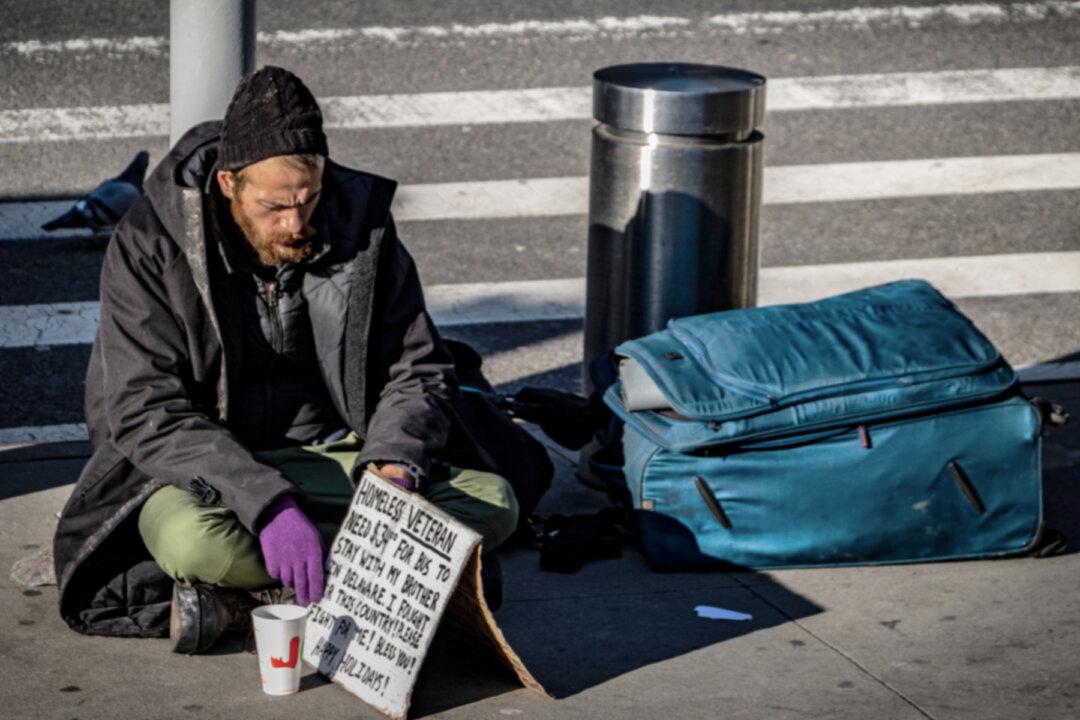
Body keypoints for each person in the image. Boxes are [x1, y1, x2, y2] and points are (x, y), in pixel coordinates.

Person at [52, 66, 551, 652]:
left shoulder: (359, 223)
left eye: (308, 199)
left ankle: (258, 600)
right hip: (208, 473)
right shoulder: (150, 244)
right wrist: (266, 504)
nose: (295, 223)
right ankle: (399, 586)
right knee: (194, 544)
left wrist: (393, 467)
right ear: (228, 184)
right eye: (275, 206)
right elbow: (142, 409)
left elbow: (417, 367)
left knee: (495, 504)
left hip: (333, 453)